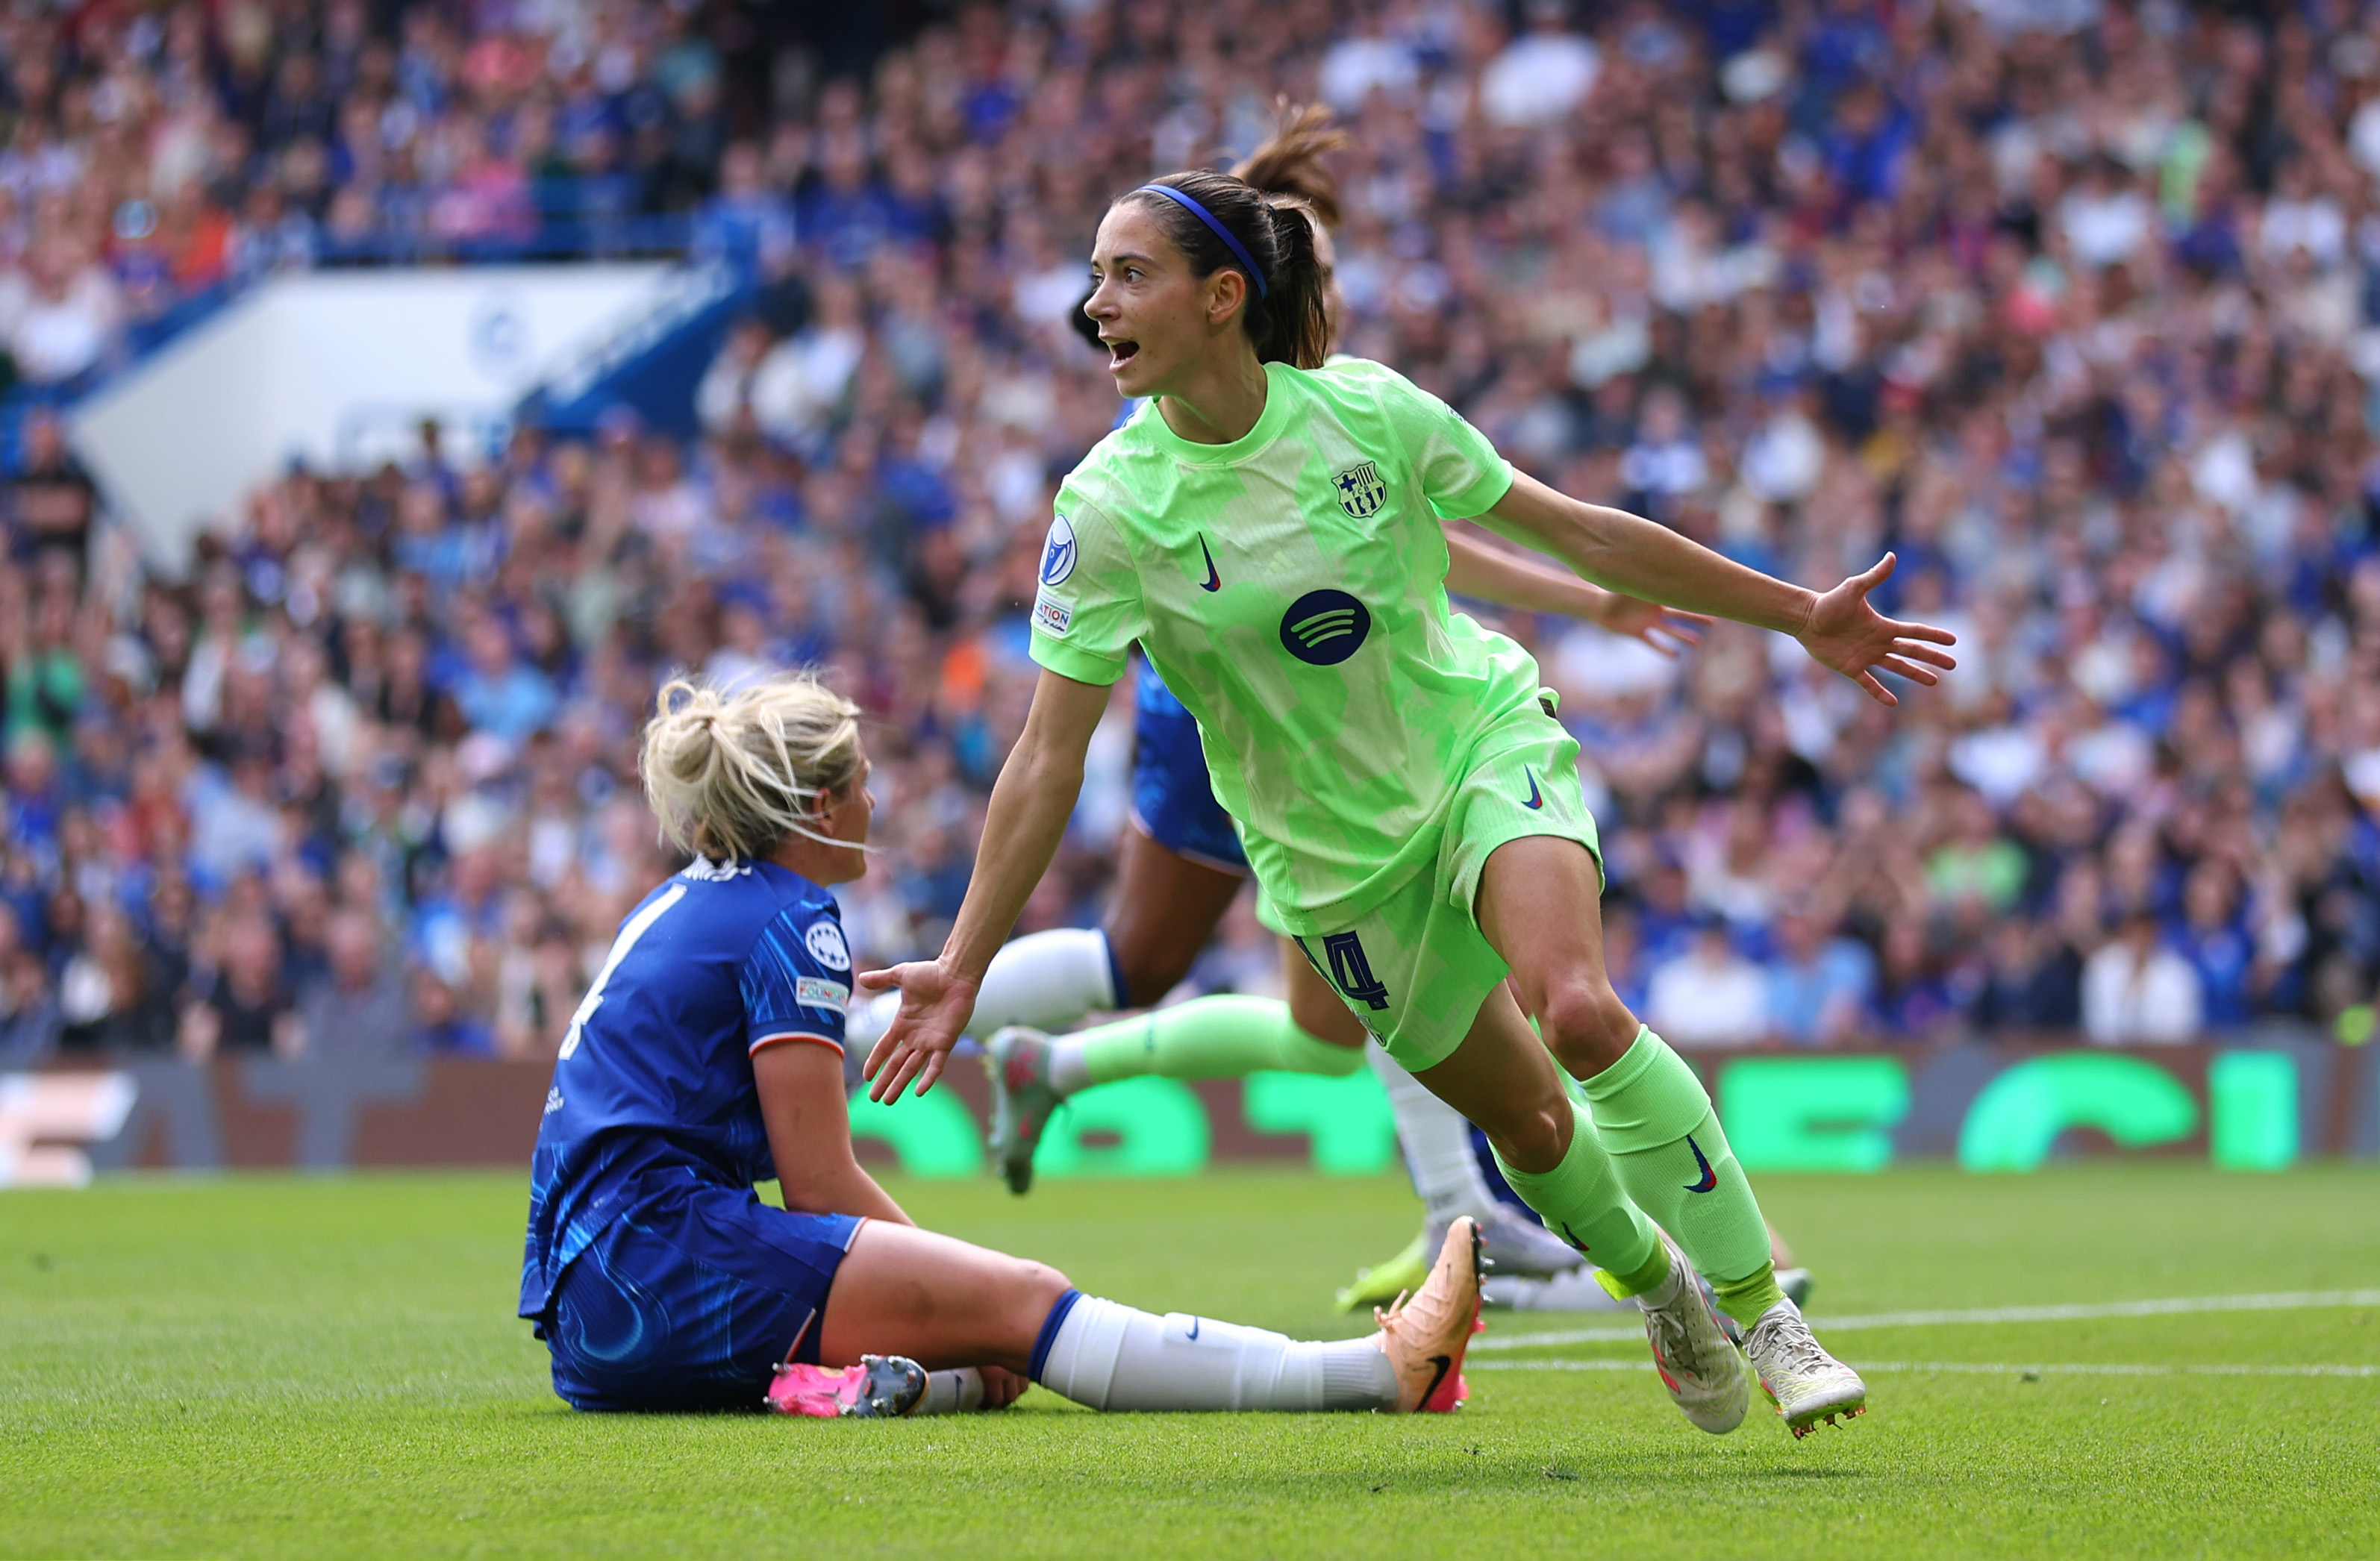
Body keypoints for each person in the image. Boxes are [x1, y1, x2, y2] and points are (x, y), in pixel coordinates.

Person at [861, 162, 1955, 1439]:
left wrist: (1794, 613)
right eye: (1095, 275)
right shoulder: (1107, 511)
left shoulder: (1367, 412)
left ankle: (1765, 1313)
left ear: (1222, 297)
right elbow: (1047, 757)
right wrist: (959, 961)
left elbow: (1580, 532)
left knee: (1581, 1012)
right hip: (1333, 869)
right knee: (1532, 1122)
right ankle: (1661, 1288)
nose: (1091, 302)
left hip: (1477, 750)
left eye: (1125, 273)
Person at [842, 107, 1704, 1291]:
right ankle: (865, 1032)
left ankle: (1071, 1073)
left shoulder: (1306, 400)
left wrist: (1582, 595)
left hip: (1302, 697)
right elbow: (1357, 548)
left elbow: (1409, 533)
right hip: (1235, 716)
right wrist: (1577, 596)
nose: (1329, 297)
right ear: (1233, 290)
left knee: (1316, 1020)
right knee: (1232, 963)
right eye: (1317, 273)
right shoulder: (1168, 434)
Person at [518, 676, 1483, 1418]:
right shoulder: (793, 917)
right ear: (817, 808)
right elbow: (817, 1184)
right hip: (660, 1261)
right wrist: (968, 1283)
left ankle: (877, 1389)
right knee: (1027, 1304)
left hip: (588, 1319)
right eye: (861, 783)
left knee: (982, 1345)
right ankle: (1378, 1373)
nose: (874, 802)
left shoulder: (676, 901)